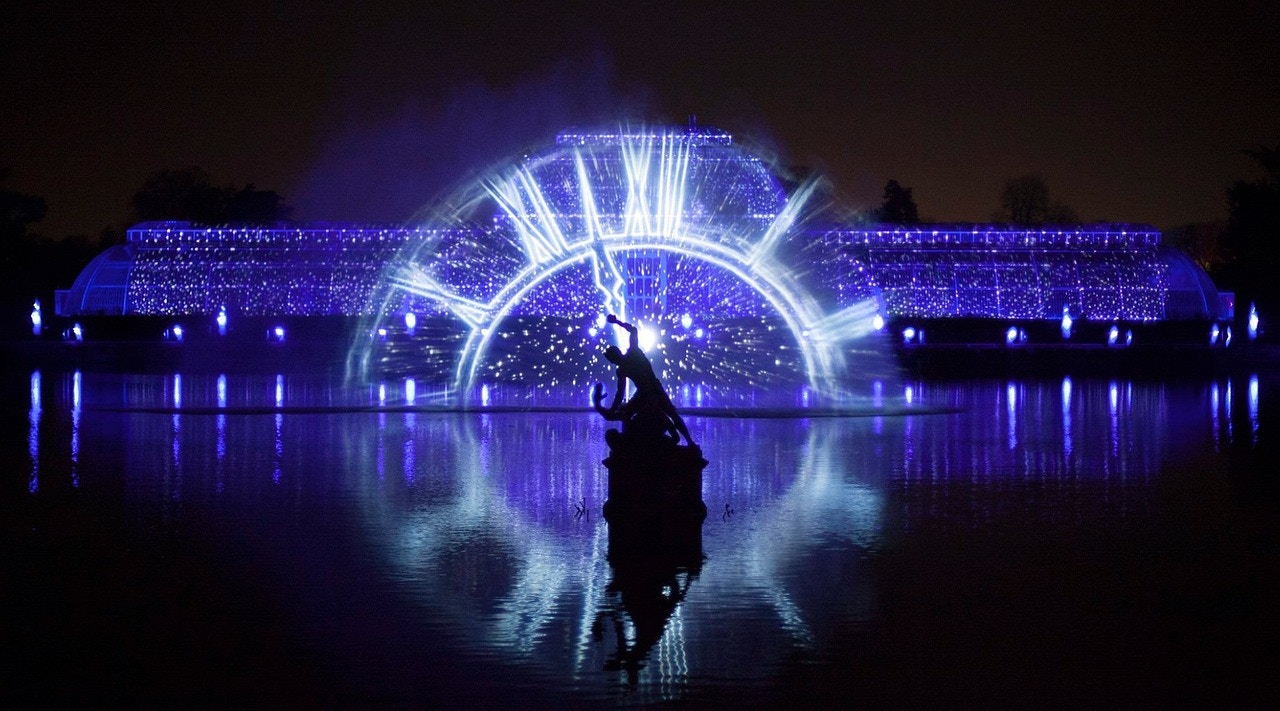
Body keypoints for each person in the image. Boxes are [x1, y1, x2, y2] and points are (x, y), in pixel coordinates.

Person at [602, 314, 696, 446]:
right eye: (612, 361)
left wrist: (617, 322)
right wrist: (612, 409)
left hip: (653, 388)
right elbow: (620, 392)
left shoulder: (633, 353)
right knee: (627, 412)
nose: (614, 363)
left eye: (613, 360)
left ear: (616, 355)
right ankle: (630, 442)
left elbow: (634, 330)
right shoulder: (623, 368)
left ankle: (690, 442)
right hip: (644, 391)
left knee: (671, 413)